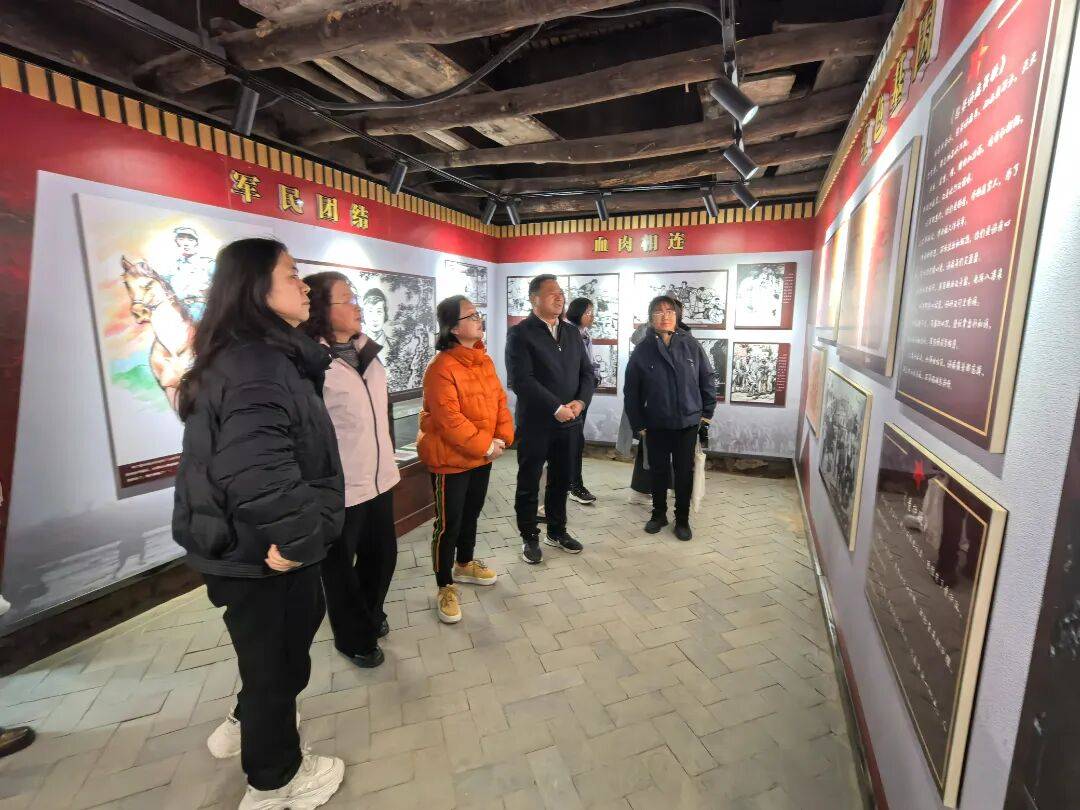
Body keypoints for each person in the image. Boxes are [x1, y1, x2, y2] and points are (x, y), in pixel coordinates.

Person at [172, 238, 345, 809]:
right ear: (255, 288)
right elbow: (256, 467)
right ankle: (275, 782)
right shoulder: (258, 363)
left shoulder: (250, 355)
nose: (304, 286)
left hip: (241, 542)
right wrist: (298, 538)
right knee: (277, 663)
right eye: (291, 274)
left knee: (269, 652)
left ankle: (243, 723)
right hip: (263, 548)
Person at [302, 271, 401, 669]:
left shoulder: (368, 352)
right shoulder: (311, 362)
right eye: (347, 299)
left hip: (380, 478)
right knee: (339, 570)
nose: (357, 306)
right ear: (322, 309)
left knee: (383, 557)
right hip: (340, 487)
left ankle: (370, 613)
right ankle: (352, 637)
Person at [417, 296, 514, 624]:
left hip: (481, 455)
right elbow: (450, 419)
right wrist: (486, 445)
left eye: (477, 314)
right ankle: (444, 584)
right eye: (471, 316)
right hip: (451, 460)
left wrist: (501, 438)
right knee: (448, 524)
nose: (478, 319)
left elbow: (499, 401)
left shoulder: (482, 360)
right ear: (454, 328)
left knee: (471, 514)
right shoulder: (441, 367)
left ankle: (464, 564)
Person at [505, 274, 595, 563]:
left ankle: (557, 531)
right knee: (530, 481)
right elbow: (522, 380)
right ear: (534, 299)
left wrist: (581, 401)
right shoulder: (520, 334)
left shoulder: (571, 332)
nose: (560, 297)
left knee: (561, 479)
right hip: (536, 423)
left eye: (561, 292)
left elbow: (587, 373)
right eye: (552, 293)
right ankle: (529, 537)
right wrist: (556, 407)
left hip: (570, 422)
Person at [624, 295, 716, 541]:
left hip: (687, 422)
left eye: (670, 311)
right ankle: (658, 514)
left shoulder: (691, 345)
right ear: (650, 317)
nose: (665, 316)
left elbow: (707, 378)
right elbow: (631, 390)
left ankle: (682, 519)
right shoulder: (643, 349)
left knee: (684, 472)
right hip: (656, 422)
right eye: (659, 311)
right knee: (658, 471)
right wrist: (638, 423)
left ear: (677, 316)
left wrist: (706, 414)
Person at [565, 297, 601, 505]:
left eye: (592, 312)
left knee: (576, 441)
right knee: (572, 441)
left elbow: (588, 364)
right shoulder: (569, 333)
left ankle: (572, 484)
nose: (592, 316)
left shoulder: (584, 334)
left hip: (583, 394)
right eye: (588, 312)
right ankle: (573, 485)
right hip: (572, 396)